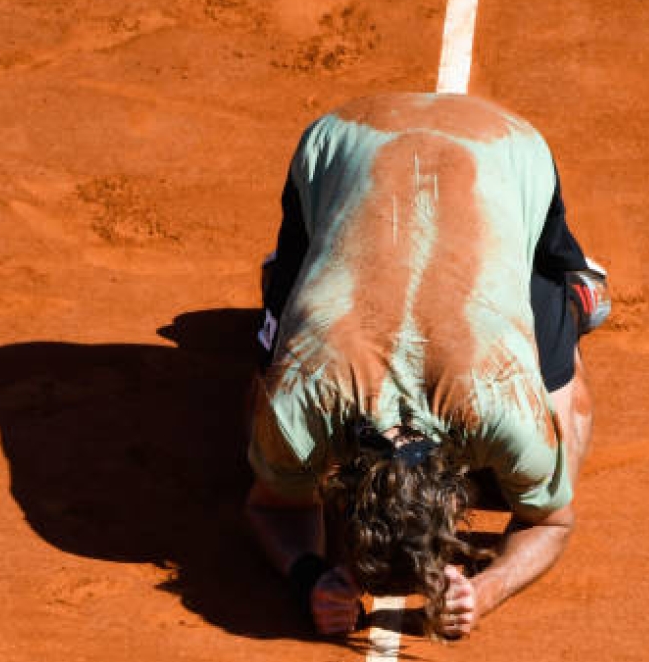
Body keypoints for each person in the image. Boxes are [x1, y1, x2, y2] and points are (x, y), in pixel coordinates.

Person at [244, 93, 610, 639]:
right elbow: (267, 505)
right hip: (353, 145)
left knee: (567, 414)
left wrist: (485, 590)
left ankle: (569, 286)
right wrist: (310, 576)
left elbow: (556, 517)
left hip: (503, 153)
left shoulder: (501, 404)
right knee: (263, 378)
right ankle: (292, 278)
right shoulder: (303, 403)